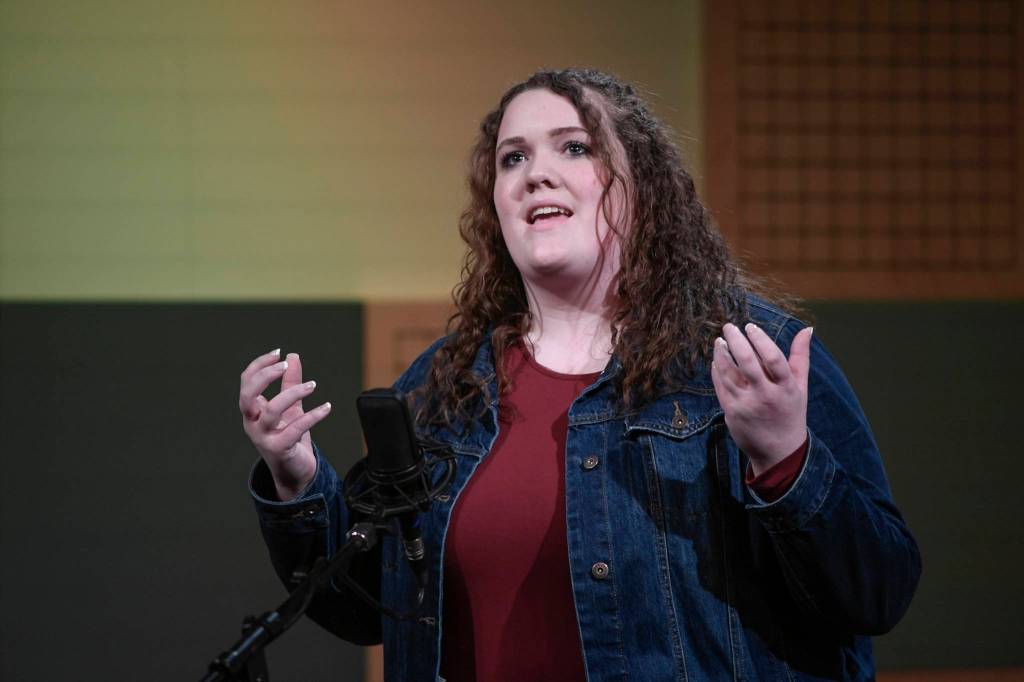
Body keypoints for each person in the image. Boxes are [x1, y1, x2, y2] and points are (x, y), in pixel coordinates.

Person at [238, 68, 920, 681]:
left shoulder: (745, 352)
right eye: (513, 158)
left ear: (641, 187)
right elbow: (368, 609)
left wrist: (785, 463)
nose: (536, 173)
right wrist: (297, 479)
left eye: (574, 147)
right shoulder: (445, 386)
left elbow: (877, 590)